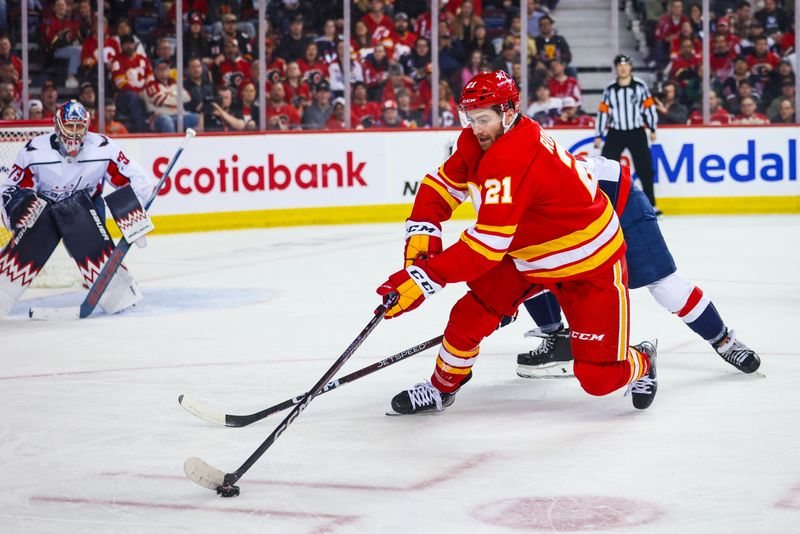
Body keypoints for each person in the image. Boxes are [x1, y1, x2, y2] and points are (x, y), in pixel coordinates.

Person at [376, 70, 658, 415]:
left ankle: (642, 358)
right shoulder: (479, 142)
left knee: (599, 379)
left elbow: (485, 247)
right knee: (469, 315)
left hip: (588, 263)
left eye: (483, 119)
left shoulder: (514, 157)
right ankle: (441, 387)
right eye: (470, 118)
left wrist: (426, 277)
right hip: (525, 253)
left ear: (509, 112)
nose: (475, 128)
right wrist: (423, 235)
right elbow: (441, 186)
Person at [516, 155, 761, 379]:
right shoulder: (491, 181)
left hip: (615, 200)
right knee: (526, 263)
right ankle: (556, 338)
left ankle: (722, 339)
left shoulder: (513, 172)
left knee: (664, 284)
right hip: (573, 219)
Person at [0, 100, 151, 317]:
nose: (74, 132)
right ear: (57, 125)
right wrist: (14, 213)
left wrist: (132, 214)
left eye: (79, 126)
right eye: (69, 126)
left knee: (84, 227)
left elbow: (138, 180)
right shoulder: (34, 151)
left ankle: (117, 294)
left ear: (87, 126)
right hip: (46, 211)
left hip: (86, 207)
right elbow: (9, 189)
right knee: (32, 224)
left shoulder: (103, 147)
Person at [595, 54, 659, 213]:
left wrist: (652, 128)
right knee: (605, 167)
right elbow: (604, 112)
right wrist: (599, 134)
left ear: (630, 67)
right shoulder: (610, 88)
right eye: (620, 65)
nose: (623, 68)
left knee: (645, 167)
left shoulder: (640, 86)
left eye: (626, 65)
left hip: (636, 131)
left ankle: (651, 204)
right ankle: (603, 206)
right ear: (616, 68)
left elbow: (649, 107)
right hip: (615, 132)